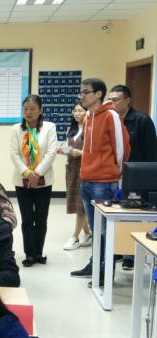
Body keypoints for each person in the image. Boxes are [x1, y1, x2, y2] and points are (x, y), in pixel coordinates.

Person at [70, 78, 130, 286]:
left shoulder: (111, 115)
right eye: (81, 93)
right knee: (95, 230)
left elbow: (122, 148)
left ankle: (106, 272)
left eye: (86, 92)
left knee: (105, 230)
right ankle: (95, 265)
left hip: (105, 182)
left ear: (98, 94)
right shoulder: (88, 116)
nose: (82, 96)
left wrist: (116, 175)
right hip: (87, 180)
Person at [108, 84, 157, 270]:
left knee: (132, 216)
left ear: (128, 100)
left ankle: (130, 254)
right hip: (113, 175)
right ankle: (116, 251)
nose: (112, 103)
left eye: (116, 99)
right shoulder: (109, 120)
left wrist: (150, 181)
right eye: (110, 99)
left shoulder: (141, 120)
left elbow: (151, 153)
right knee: (116, 216)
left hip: (135, 178)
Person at [10, 94, 58, 267]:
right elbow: (14, 154)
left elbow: (51, 153)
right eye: (25, 109)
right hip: (22, 180)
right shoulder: (16, 129)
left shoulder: (49, 127)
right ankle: (29, 254)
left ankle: (39, 252)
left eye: (32, 109)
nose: (28, 112)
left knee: (41, 218)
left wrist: (36, 173)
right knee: (27, 219)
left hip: (43, 181)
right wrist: (27, 173)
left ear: (40, 111)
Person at [57, 103, 92, 251]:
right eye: (75, 111)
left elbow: (94, 151)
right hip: (72, 169)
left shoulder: (91, 129)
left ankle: (75, 237)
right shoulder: (71, 129)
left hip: (85, 169)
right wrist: (62, 150)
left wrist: (81, 153)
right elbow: (69, 148)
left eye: (80, 111)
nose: (77, 113)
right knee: (77, 203)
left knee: (81, 204)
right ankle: (88, 234)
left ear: (87, 112)